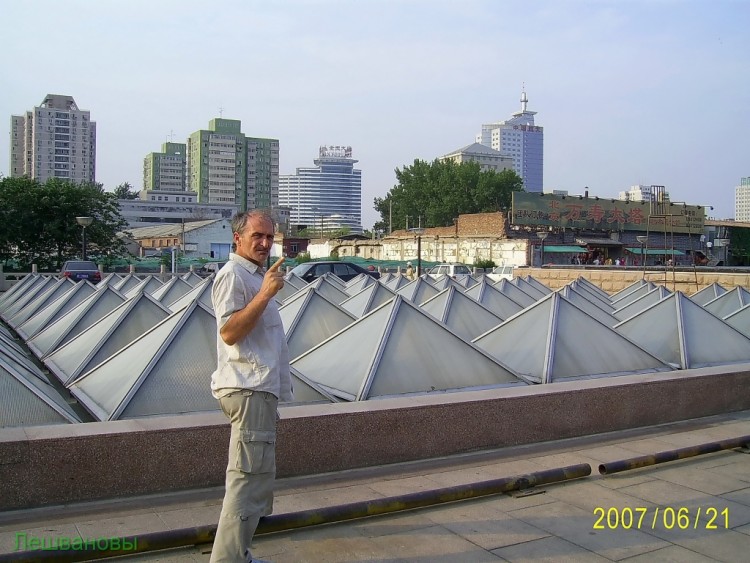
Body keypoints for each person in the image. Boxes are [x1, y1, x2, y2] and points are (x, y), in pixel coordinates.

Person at [210, 211, 293, 563]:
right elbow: (229, 332)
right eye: (257, 236)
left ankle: (239, 554)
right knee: (246, 481)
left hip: (257, 391)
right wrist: (264, 295)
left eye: (269, 237)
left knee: (255, 479)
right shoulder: (233, 276)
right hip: (247, 389)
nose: (264, 243)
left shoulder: (256, 276)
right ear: (237, 238)